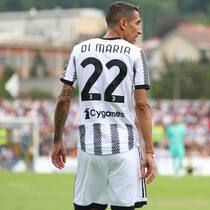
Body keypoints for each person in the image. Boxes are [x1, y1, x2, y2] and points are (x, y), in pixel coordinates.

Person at [51, 2, 156, 210]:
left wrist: (57, 140)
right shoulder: (135, 54)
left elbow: (64, 98)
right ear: (123, 23)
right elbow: (142, 105)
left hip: (89, 147)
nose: (140, 30)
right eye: (137, 24)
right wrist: (150, 152)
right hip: (124, 148)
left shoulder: (79, 50)